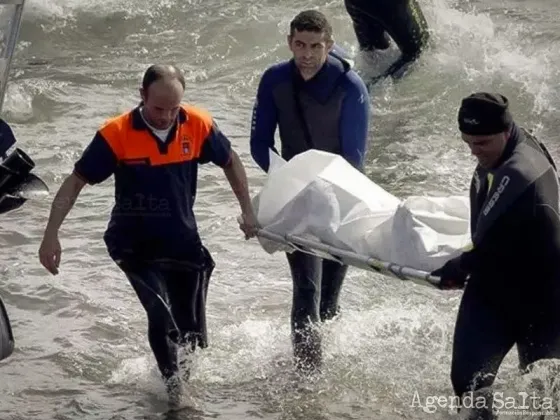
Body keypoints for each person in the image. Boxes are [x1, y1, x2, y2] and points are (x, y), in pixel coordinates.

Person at [38, 64, 259, 405]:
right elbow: (76, 181)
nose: (167, 116)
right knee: (159, 313)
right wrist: (51, 233)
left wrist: (247, 209)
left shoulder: (197, 124)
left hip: (182, 242)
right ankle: (175, 396)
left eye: (174, 108)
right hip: (133, 245)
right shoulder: (116, 133)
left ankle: (181, 382)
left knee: (192, 335)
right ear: (142, 96)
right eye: (159, 108)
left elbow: (230, 161)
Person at [249, 10, 370, 374]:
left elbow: (354, 158)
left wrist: (326, 195)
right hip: (297, 197)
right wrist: (288, 182)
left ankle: (324, 369)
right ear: (290, 42)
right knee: (306, 289)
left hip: (342, 198)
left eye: (315, 46)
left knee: (329, 300)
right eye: (299, 44)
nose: (306, 54)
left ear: (329, 46)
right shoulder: (274, 80)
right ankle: (307, 379)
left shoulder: (350, 86)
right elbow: (259, 145)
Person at [431, 92, 560, 419]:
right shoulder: (514, 140)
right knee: (469, 385)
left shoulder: (517, 172)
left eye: (482, 143)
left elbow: (481, 248)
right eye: (468, 142)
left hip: (546, 298)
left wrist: (455, 269)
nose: (474, 152)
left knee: (543, 398)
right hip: (493, 292)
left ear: (505, 131)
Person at [344, 0, 430, 83]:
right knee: (420, 49)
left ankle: (361, 88)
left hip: (354, 3)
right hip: (390, 4)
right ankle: (369, 91)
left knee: (373, 51)